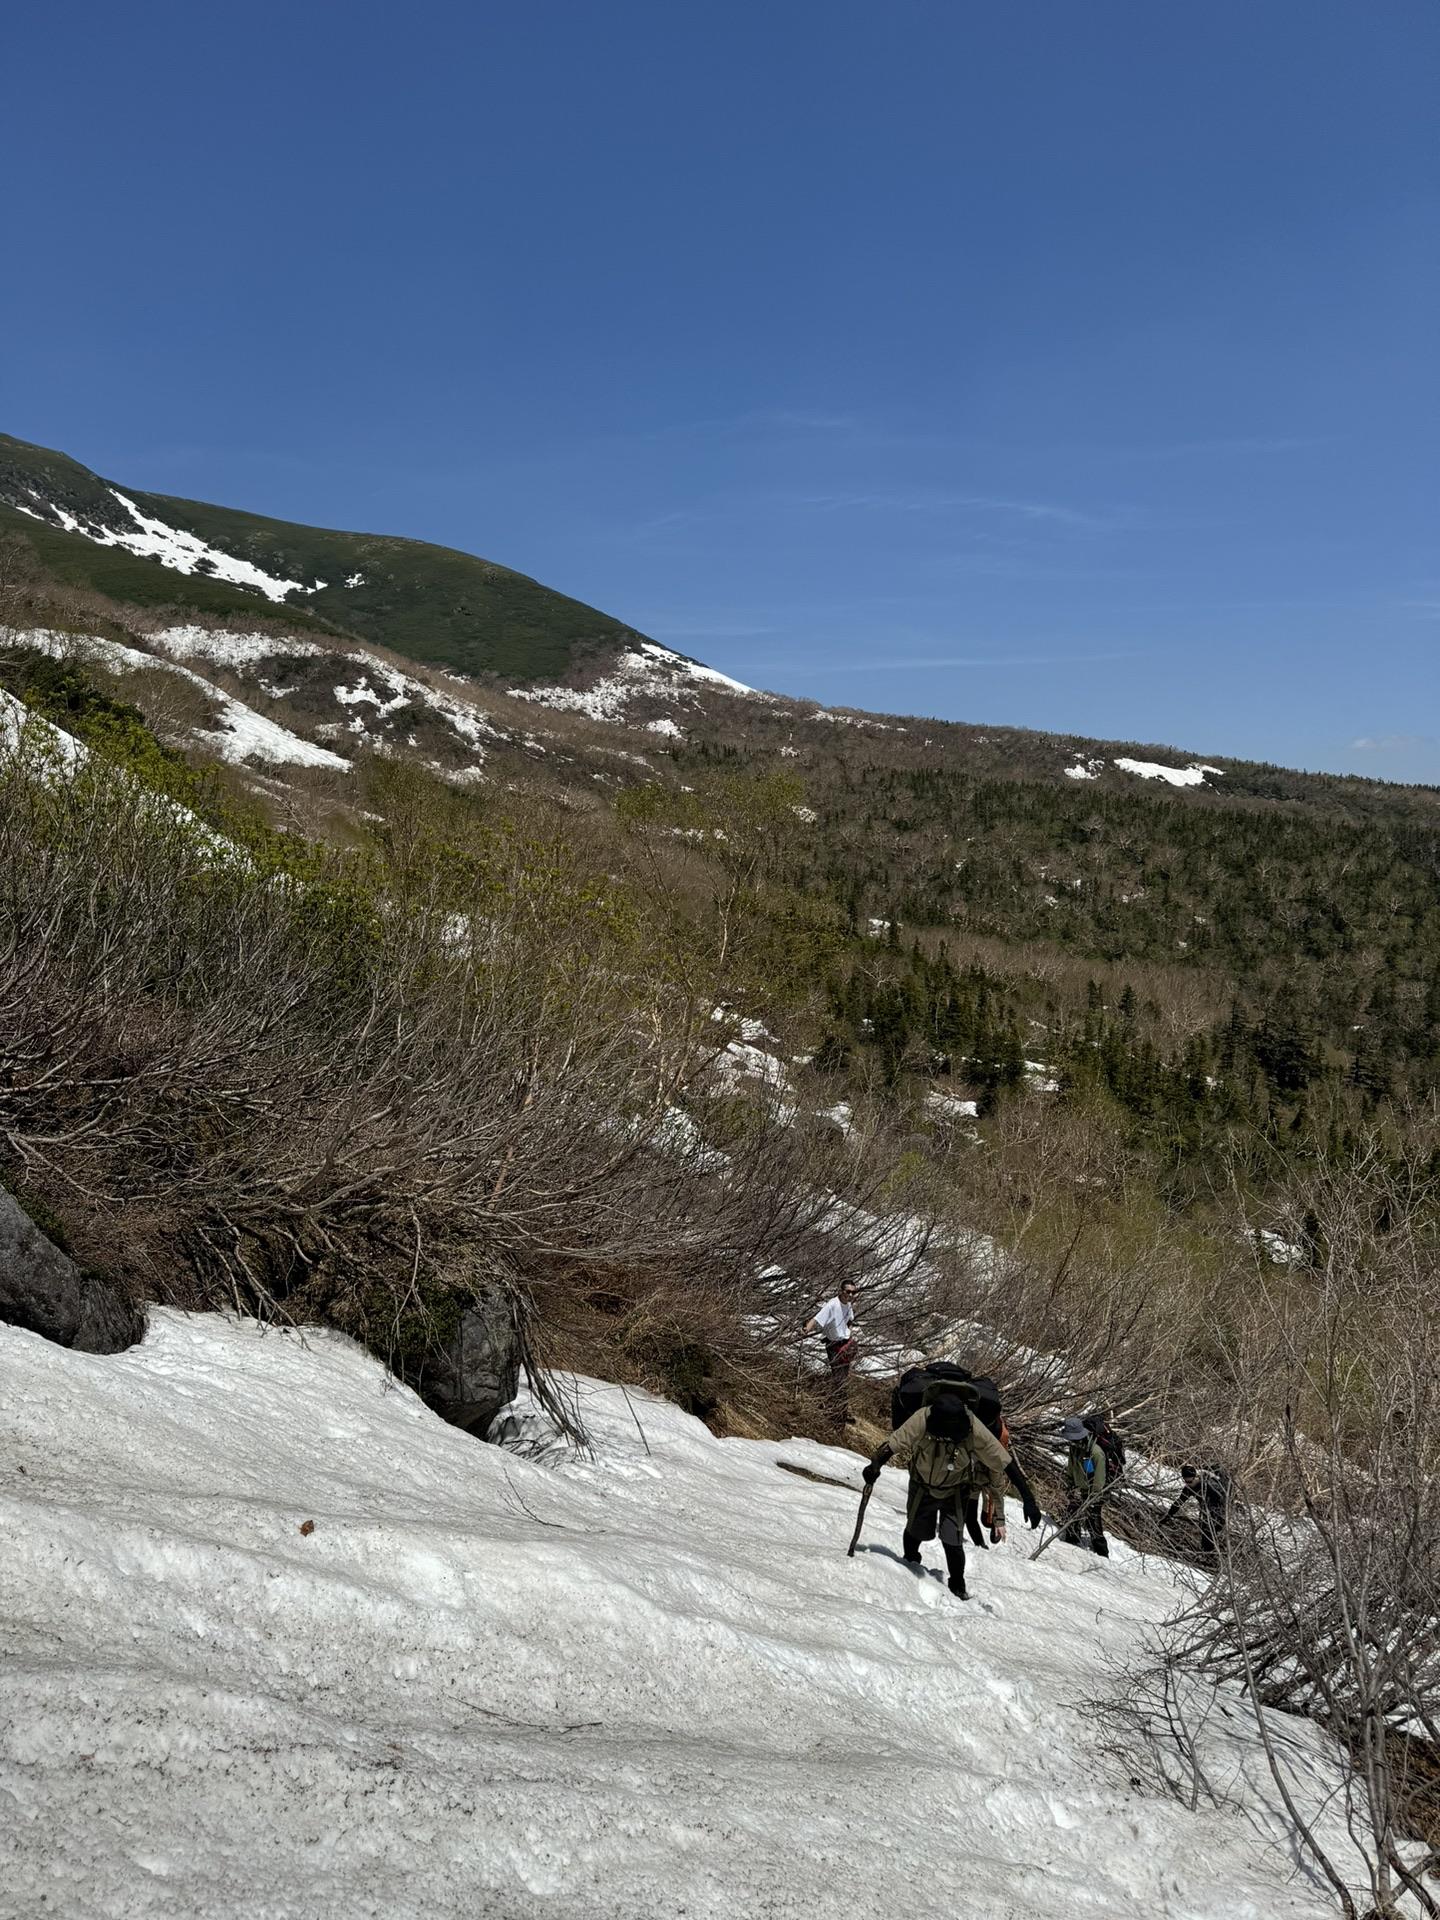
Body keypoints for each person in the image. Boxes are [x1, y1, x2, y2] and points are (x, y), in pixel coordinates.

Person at [862, 1382, 1040, 1600]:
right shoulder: (923, 1417)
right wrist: (875, 1465)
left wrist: (1028, 1498)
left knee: (953, 1540)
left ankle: (957, 1583)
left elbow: (1003, 1461)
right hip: (922, 1485)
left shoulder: (973, 1426)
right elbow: (893, 1443)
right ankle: (909, 1564)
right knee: (916, 1530)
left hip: (955, 1490)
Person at [804, 1283, 858, 1423]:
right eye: (848, 1292)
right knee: (839, 1379)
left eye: (853, 1292)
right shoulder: (832, 1304)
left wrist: (848, 1332)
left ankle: (839, 1411)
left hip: (845, 1345)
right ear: (841, 1291)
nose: (850, 1295)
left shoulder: (849, 1305)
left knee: (842, 1379)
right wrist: (806, 1329)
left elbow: (850, 1319)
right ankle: (836, 1412)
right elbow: (817, 1318)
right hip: (834, 1345)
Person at [1058, 1414, 1110, 1557]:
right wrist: (1069, 1485)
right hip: (1078, 1488)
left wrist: (1093, 1499)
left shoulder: (1096, 1453)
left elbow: (1099, 1480)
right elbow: (1071, 1467)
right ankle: (1071, 1544)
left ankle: (1102, 1554)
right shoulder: (1074, 1448)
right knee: (1071, 1514)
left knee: (1094, 1522)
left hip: (1094, 1492)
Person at [1163, 1463, 1231, 1560]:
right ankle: (1207, 1556)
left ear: (1195, 1477)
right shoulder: (1189, 1488)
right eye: (1186, 1481)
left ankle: (1210, 1557)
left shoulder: (1207, 1485)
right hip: (1206, 1512)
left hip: (1218, 1511)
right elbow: (1178, 1503)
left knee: (1210, 1532)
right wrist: (1167, 1517)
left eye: (1190, 1481)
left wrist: (1215, 1512)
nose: (1189, 1484)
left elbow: (1221, 1499)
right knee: (1205, 1532)